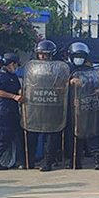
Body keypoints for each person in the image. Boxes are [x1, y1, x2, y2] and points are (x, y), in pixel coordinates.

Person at [67, 42, 99, 170]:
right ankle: (74, 162)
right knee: (74, 136)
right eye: (76, 55)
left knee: (92, 134)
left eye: (81, 56)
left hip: (89, 107)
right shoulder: (67, 70)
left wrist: (95, 91)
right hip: (72, 110)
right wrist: (70, 82)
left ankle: (97, 161)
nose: (79, 58)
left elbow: (98, 87)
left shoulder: (93, 72)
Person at [32, 40, 66, 172]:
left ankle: (48, 162)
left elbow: (63, 84)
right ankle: (29, 160)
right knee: (33, 133)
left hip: (54, 106)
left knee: (52, 137)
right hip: (37, 106)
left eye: (45, 54)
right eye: (40, 54)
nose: (43, 57)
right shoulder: (33, 68)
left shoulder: (58, 68)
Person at [0, 53, 23, 170]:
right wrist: (14, 97)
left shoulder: (13, 76)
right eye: (16, 65)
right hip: (2, 112)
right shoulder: (0, 75)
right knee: (3, 138)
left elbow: (18, 89)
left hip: (12, 112)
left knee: (17, 136)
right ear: (11, 64)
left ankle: (19, 160)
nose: (16, 67)